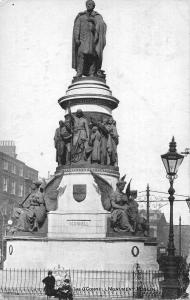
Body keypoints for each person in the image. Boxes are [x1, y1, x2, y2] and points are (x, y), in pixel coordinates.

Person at [72, 0, 106, 77]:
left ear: (94, 6)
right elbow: (76, 28)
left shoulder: (97, 17)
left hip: (93, 41)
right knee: (81, 55)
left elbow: (102, 27)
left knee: (93, 56)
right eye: (87, 4)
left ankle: (92, 73)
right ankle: (79, 72)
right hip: (82, 41)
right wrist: (76, 39)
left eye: (90, 4)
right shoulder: (81, 17)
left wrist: (95, 24)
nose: (88, 5)